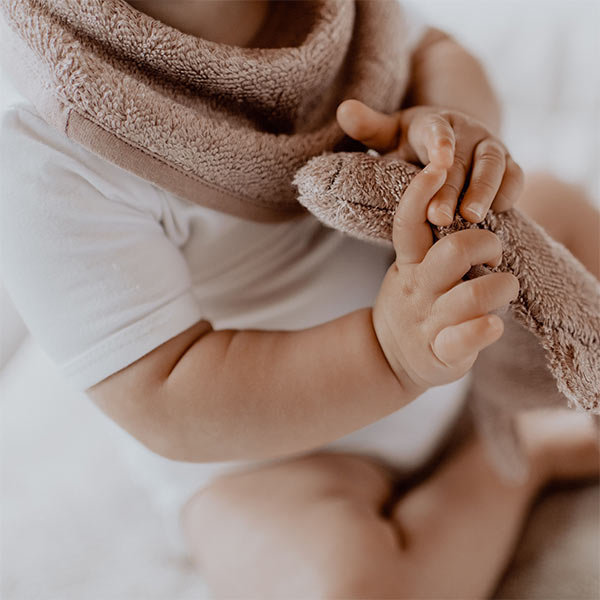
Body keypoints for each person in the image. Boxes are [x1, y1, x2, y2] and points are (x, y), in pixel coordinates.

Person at [1, 1, 597, 597]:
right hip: (280, 452)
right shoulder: (51, 137)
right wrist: (387, 353)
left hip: (456, 317)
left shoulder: (333, 16)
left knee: (560, 210)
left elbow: (434, 49)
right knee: (349, 588)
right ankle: (516, 456)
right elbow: (166, 392)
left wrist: (450, 131)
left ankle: (521, 397)